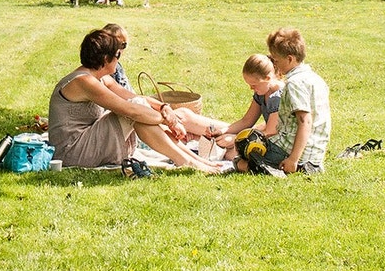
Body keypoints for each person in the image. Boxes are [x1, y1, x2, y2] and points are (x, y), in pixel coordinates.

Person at [47, 29, 224, 172]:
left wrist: (165, 108)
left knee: (139, 107)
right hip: (73, 152)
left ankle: (193, 160)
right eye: (117, 54)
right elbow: (130, 109)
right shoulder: (84, 82)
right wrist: (168, 121)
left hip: (86, 143)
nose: (119, 59)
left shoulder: (100, 78)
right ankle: (186, 161)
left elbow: (133, 97)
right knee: (137, 111)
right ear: (106, 59)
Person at [268, 27, 331, 175]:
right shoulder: (315, 78)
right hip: (315, 155)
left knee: (244, 154)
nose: (275, 65)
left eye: (276, 60)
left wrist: (293, 159)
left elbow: (305, 121)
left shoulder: (294, 83)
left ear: (290, 59)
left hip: (297, 154)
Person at [215, 54, 286, 172]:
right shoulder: (262, 92)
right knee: (228, 150)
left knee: (232, 155)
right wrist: (223, 131)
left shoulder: (277, 97)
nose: (251, 88)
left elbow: (270, 131)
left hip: (280, 145)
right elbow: (247, 121)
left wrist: (237, 139)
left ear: (267, 78)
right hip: (269, 139)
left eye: (254, 85)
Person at [102, 23, 133, 90]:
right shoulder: (101, 70)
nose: (117, 50)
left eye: (123, 45)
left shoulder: (117, 67)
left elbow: (128, 91)